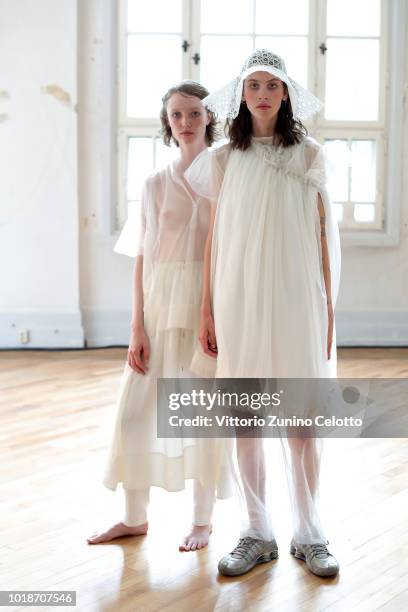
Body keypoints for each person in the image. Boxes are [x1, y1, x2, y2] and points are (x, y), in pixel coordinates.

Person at [185, 49, 341, 576]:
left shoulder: (309, 155)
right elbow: (213, 240)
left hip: (298, 297)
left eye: (273, 85)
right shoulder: (225, 158)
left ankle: (310, 530)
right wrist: (206, 308)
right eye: (254, 84)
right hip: (240, 297)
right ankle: (257, 529)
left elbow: (323, 236)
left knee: (301, 421)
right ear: (241, 94)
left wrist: (329, 307)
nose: (263, 94)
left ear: (287, 94)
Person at [87, 80, 231, 551]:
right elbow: (143, 259)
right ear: (167, 123)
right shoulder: (152, 184)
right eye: (176, 115)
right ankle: (134, 517)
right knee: (135, 413)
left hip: (210, 306)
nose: (185, 123)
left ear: (209, 116)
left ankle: (202, 522)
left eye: (193, 113)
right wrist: (136, 326)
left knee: (203, 415)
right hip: (158, 305)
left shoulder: (228, 174)